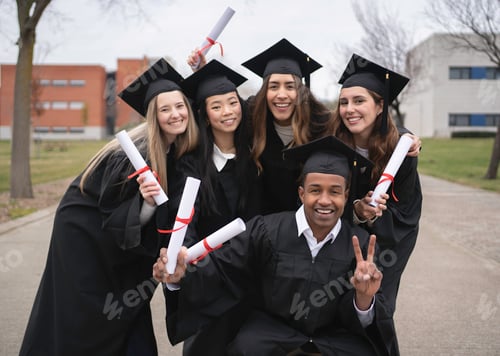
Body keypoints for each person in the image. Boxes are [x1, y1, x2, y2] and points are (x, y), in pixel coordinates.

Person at [154, 135, 400, 356]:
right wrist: (181, 276)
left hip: (333, 337)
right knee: (245, 347)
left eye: (335, 191)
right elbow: (222, 269)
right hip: (272, 332)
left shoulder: (361, 245)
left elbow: (364, 320)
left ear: (346, 196)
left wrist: (364, 299)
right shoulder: (266, 231)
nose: (325, 200)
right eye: (315, 190)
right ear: (302, 193)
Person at [19, 58, 199, 356]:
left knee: (126, 308)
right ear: (153, 115)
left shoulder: (173, 148)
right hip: (85, 237)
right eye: (164, 109)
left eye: (180, 106)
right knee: (86, 314)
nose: (175, 114)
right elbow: (116, 213)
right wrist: (147, 202)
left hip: (118, 241)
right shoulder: (133, 154)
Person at [169, 59, 262, 355]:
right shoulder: (191, 164)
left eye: (232, 103)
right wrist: (192, 261)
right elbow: (186, 220)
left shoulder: (257, 156)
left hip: (254, 275)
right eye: (217, 106)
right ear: (205, 115)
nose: (228, 112)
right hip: (211, 277)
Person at [188, 38, 334, 215]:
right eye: (273, 86)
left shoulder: (321, 124)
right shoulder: (252, 116)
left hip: (312, 220)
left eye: (290, 86)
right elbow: (221, 109)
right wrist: (203, 73)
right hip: (264, 224)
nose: (281, 94)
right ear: (265, 91)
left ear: (301, 91)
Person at [333, 53, 423, 321]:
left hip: (387, 244)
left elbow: (406, 214)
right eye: (344, 102)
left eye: (359, 101)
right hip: (340, 235)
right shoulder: (334, 143)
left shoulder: (401, 152)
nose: (350, 109)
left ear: (380, 106)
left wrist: (374, 217)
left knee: (374, 303)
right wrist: (357, 211)